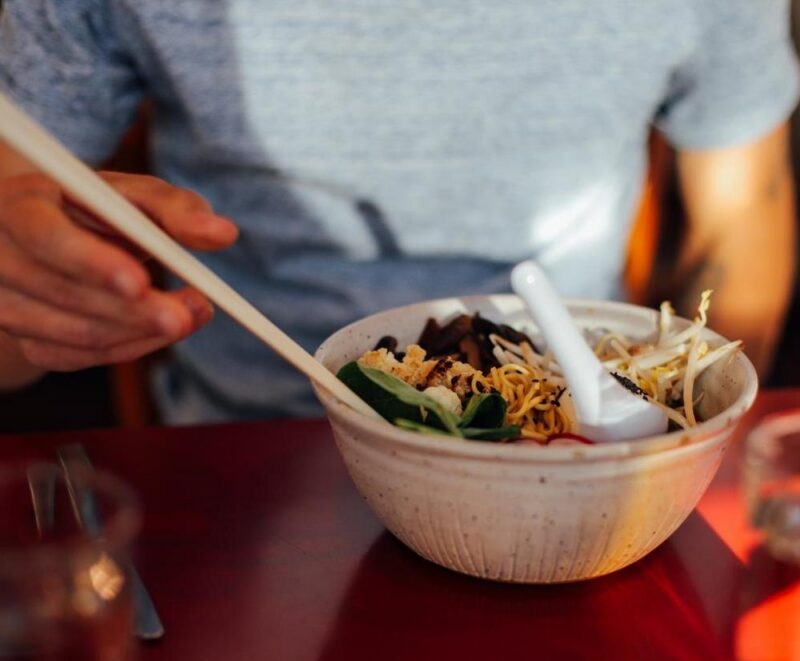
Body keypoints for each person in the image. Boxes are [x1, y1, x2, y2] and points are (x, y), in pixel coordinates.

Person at [0, 1, 796, 424]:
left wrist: (683, 431)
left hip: (575, 442)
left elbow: (742, 215)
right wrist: (31, 306)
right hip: (246, 454)